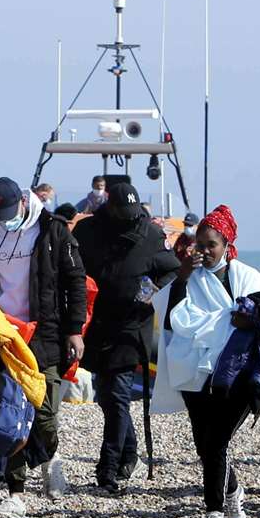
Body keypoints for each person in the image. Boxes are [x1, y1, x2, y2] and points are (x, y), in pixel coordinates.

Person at [156, 206, 260, 518]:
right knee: (204, 442)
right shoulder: (189, 277)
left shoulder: (246, 276)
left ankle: (213, 510)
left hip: (239, 374)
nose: (203, 251)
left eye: (210, 245)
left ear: (226, 244)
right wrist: (183, 275)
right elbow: (171, 320)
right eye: (198, 244)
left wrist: (249, 319)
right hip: (194, 369)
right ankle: (232, 490)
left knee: (217, 440)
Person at [0, 177, 86, 515]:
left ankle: (51, 456)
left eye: (9, 212)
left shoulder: (52, 230)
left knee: (45, 414)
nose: (5, 220)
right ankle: (16, 491)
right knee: (8, 411)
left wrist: (74, 330)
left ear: (23, 201)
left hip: (45, 333)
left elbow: (75, 280)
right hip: (3, 333)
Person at [74, 180, 180, 493]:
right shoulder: (87, 231)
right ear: (111, 206)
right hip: (98, 323)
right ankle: (129, 454)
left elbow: (172, 270)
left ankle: (107, 470)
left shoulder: (150, 233)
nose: (132, 216)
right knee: (107, 397)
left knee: (118, 395)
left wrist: (150, 292)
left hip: (132, 325)